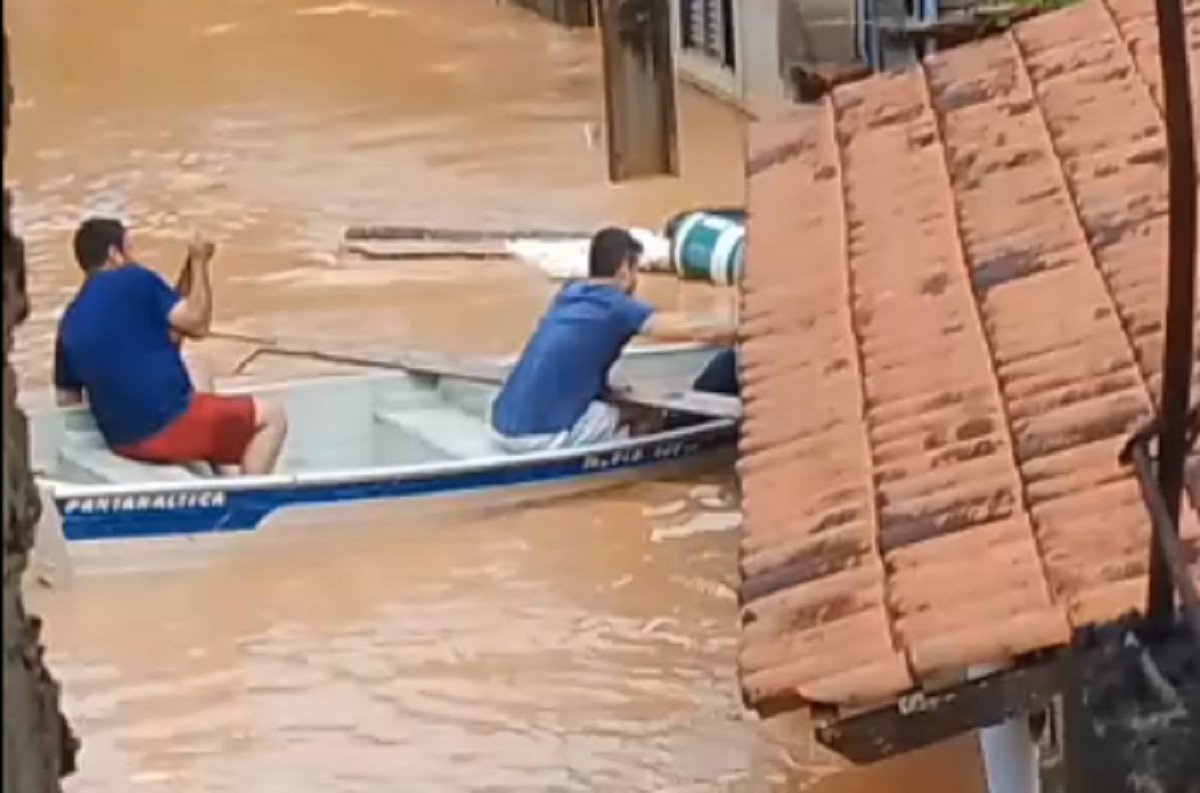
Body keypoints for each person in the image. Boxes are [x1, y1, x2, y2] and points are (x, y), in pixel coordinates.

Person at [53, 217, 288, 475]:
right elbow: (197, 324)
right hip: (166, 426)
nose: (134, 257)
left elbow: (68, 402)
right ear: (114, 254)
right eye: (130, 249)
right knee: (272, 417)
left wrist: (189, 265)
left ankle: (220, 474)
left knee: (197, 365)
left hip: (122, 441)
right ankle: (244, 501)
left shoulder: (70, 320)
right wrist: (200, 262)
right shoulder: (135, 279)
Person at [488, 226, 737, 453]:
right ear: (624, 271)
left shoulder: (568, 294)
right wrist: (748, 326)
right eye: (636, 270)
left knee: (613, 401)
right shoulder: (618, 307)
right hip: (539, 437)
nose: (637, 280)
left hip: (500, 424)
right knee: (645, 416)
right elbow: (694, 329)